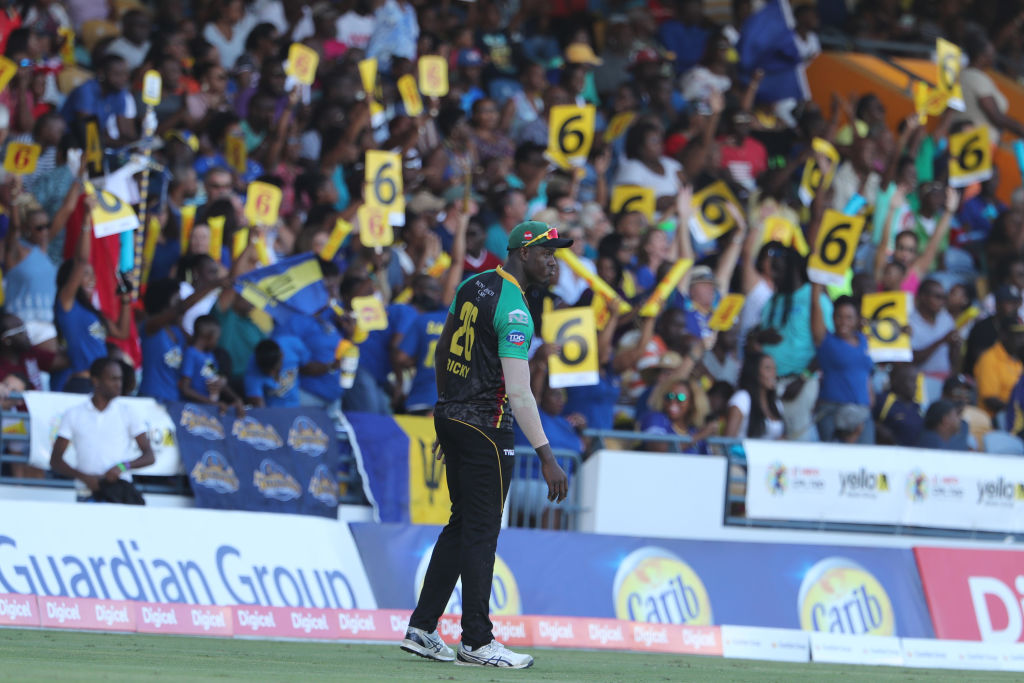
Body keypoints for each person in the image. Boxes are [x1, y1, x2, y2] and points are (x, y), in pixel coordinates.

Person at [402, 220, 570, 669]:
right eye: (547, 252)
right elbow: (519, 393)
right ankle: (477, 640)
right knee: (481, 533)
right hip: (488, 428)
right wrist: (547, 456)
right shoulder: (515, 309)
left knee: (461, 527)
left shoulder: (474, 284)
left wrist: (447, 414)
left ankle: (422, 627)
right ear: (522, 254)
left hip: (453, 417)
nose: (553, 260)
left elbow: (442, 353)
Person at [49, 357, 155, 503]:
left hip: (119, 493)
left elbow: (149, 456)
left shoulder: (128, 412)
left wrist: (122, 467)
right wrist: (84, 478)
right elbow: (55, 460)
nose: (119, 384)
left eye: (120, 379)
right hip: (85, 493)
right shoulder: (73, 414)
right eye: (113, 379)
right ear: (95, 381)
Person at [811, 285, 874, 443]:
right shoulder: (826, 341)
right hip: (832, 411)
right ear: (832, 317)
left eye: (849, 317)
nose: (843, 322)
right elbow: (815, 308)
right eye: (839, 316)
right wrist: (816, 289)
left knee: (865, 463)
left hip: (862, 413)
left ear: (858, 319)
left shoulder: (865, 341)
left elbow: (868, 373)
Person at [873, 364, 924, 447]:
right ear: (897, 381)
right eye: (911, 381)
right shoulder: (883, 401)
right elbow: (870, 422)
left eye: (916, 381)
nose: (916, 386)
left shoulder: (917, 407)